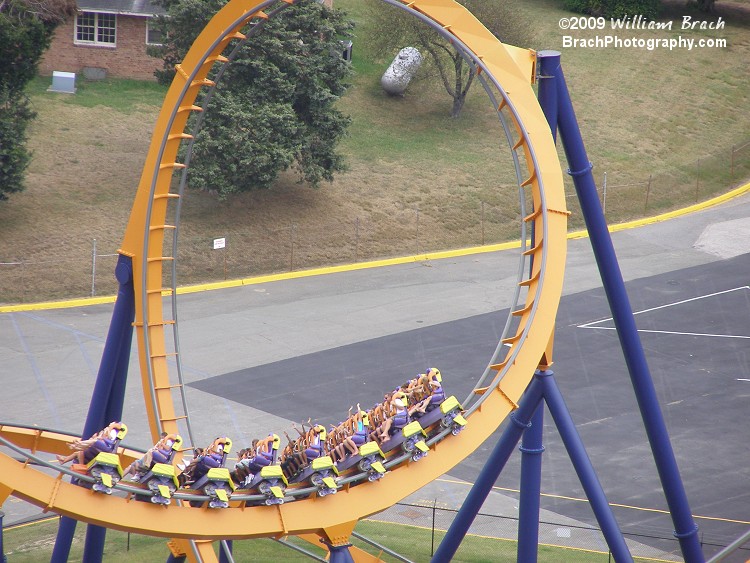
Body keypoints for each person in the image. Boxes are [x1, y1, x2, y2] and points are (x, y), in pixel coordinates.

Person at [56, 421, 127, 466]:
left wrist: (109, 428)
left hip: (107, 448)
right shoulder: (104, 431)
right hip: (99, 445)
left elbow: (115, 428)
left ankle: (77, 444)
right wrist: (101, 436)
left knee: (95, 441)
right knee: (79, 452)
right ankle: (65, 459)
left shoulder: (114, 430)